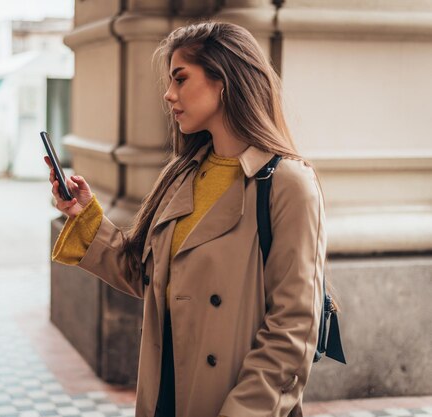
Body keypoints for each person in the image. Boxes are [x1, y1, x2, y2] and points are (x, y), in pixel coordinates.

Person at [45, 21, 331, 417]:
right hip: (165, 397)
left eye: (181, 79)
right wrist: (84, 215)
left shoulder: (286, 184)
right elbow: (145, 275)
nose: (169, 94)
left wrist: (244, 411)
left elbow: (293, 327)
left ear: (224, 81)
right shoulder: (182, 174)